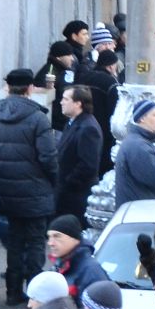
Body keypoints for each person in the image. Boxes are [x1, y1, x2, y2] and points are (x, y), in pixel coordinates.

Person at [0, 67, 57, 306]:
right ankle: (35, 294)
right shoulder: (38, 118)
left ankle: (12, 292)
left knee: (15, 241)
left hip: (8, 190)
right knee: (35, 243)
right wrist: (53, 180)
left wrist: (1, 170)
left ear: (8, 88)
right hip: (36, 190)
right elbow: (48, 158)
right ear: (30, 88)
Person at [55, 85, 103, 223]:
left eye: (66, 99)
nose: (61, 102)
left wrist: (66, 183)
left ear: (78, 104)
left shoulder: (88, 128)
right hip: (68, 195)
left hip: (76, 197)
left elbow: (88, 165)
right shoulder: (72, 122)